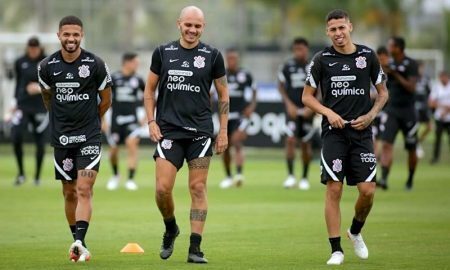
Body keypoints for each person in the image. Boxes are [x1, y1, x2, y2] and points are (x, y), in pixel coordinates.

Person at [302, 9, 388, 265]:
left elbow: (383, 93)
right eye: (333, 30)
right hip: (334, 135)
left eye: (342, 28)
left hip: (362, 133)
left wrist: (371, 115)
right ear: (327, 32)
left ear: (350, 27)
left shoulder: (367, 56)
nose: (338, 33)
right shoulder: (321, 60)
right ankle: (336, 250)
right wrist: (328, 112)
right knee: (334, 188)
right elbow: (306, 97)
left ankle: (356, 231)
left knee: (368, 191)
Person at [143, 6, 229, 264]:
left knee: (198, 187)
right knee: (162, 189)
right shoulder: (162, 52)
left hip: (200, 133)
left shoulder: (213, 56)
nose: (192, 30)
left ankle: (195, 248)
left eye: (198, 26)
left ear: (203, 28)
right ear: (179, 24)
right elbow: (149, 90)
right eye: (188, 25)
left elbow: (224, 95)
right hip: (168, 131)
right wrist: (151, 121)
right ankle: (171, 227)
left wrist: (223, 130)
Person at [38, 15, 112, 262]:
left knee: (84, 188)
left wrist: (93, 120)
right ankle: (78, 241)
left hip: (89, 136)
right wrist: (60, 119)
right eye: (66, 34)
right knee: (69, 192)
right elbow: (47, 97)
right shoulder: (46, 67)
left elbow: (106, 99)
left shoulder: (96, 64)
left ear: (82, 36)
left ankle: (79, 241)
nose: (71, 39)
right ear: (59, 35)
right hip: (62, 138)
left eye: (76, 34)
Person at [379, 36, 419, 190]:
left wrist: (395, 74)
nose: (389, 49)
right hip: (392, 111)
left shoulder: (411, 64)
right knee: (387, 144)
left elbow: (411, 87)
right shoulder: (388, 65)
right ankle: (383, 179)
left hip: (408, 112)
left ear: (399, 48)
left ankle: (409, 180)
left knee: (411, 148)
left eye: (391, 46)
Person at [105, 52, 145, 191]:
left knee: (132, 145)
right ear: (127, 63)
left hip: (132, 120)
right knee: (113, 150)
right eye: (135, 63)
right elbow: (104, 100)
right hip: (116, 120)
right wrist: (103, 120)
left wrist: (146, 118)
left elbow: (149, 97)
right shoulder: (114, 78)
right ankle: (115, 175)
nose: (137, 65)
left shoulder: (138, 80)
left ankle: (130, 179)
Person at [10, 37, 47, 186]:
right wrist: (14, 101)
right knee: (16, 135)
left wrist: (38, 88)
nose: (33, 51)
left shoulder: (47, 62)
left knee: (40, 141)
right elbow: (19, 83)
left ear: (39, 48)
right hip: (23, 105)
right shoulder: (20, 62)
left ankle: (37, 177)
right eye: (30, 49)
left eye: (35, 49)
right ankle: (21, 174)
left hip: (40, 106)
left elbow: (53, 83)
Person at [278, 37, 314, 190]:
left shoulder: (313, 66)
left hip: (307, 110)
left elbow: (321, 88)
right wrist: (288, 105)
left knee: (306, 144)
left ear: (306, 49)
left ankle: (305, 178)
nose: (298, 52)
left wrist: (313, 107)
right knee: (290, 141)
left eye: (301, 48)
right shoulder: (287, 66)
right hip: (292, 111)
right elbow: (281, 86)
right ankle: (291, 176)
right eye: (295, 49)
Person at [219, 48, 256, 189]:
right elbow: (212, 93)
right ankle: (228, 176)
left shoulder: (245, 75)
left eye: (234, 58)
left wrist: (251, 107)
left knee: (236, 141)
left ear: (238, 59)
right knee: (225, 147)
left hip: (241, 116)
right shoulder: (221, 75)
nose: (231, 61)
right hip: (225, 115)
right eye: (229, 59)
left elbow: (254, 91)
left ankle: (239, 174)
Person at [429, 70, 450, 164]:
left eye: (444, 77)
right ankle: (435, 158)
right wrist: (443, 107)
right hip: (439, 117)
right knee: (437, 139)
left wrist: (446, 110)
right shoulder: (436, 87)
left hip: (449, 118)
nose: (442, 79)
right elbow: (431, 103)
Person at [415, 61, 433, 158]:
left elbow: (430, 93)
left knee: (430, 127)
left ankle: (418, 142)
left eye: (422, 68)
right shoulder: (413, 78)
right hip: (415, 107)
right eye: (419, 68)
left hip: (424, 107)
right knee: (415, 127)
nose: (420, 70)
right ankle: (416, 147)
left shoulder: (426, 79)